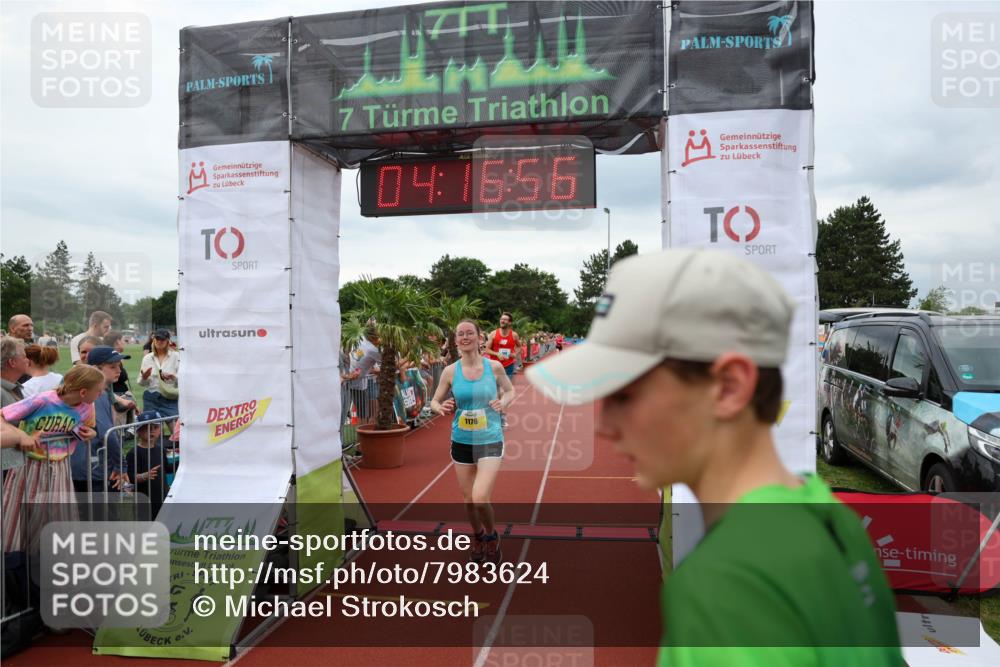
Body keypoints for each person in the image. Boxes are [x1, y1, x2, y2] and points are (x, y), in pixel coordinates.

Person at [525, 249, 904, 666]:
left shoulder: (725, 584)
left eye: (626, 395)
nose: (604, 424)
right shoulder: (825, 515)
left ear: (728, 387)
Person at [430, 319, 515, 564]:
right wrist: (440, 407)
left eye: (470, 333)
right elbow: (434, 401)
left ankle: (491, 536)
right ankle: (477, 534)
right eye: (460, 334)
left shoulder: (494, 367)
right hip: (462, 440)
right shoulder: (450, 371)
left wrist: (504, 402)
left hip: (490, 438)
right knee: (468, 501)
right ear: (455, 340)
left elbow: (509, 391)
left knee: (479, 498)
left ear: (480, 338)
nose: (465, 337)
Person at [1, 365, 102, 552]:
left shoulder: (88, 407)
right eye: (99, 391)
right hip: (29, 466)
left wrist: (92, 433)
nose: (101, 394)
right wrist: (20, 436)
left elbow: (88, 428)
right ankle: (13, 563)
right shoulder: (43, 400)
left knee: (58, 516)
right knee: (19, 516)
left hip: (60, 468)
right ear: (83, 392)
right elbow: (2, 415)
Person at [71, 346, 133, 497]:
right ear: (95, 369)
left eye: (119, 366)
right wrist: (121, 465)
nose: (118, 370)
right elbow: (108, 433)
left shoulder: (102, 392)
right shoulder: (95, 395)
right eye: (112, 367)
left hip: (87, 466)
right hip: (92, 468)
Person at [127, 411, 175, 516]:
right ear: (138, 431)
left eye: (155, 427)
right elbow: (130, 477)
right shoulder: (134, 453)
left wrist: (183, 463)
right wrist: (145, 475)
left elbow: (167, 468)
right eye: (146, 428)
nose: (151, 431)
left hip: (162, 496)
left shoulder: (160, 449)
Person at [1, 336, 29, 471]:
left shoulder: (16, 389)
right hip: (5, 468)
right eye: (24, 357)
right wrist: (20, 435)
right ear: (12, 362)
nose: (28, 360)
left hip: (15, 466)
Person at [138, 329, 180, 419]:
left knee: (176, 429)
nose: (159, 341)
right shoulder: (147, 358)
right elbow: (141, 383)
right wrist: (144, 378)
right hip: (151, 398)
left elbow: (184, 379)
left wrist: (174, 377)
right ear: (154, 340)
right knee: (151, 429)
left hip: (170, 398)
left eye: (162, 339)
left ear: (168, 341)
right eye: (157, 339)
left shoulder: (176, 356)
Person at [347, 327, 381, 422]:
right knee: (362, 414)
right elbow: (390, 364)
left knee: (363, 412)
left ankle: (364, 431)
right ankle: (363, 434)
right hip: (355, 381)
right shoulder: (372, 349)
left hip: (350, 379)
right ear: (374, 336)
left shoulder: (359, 337)